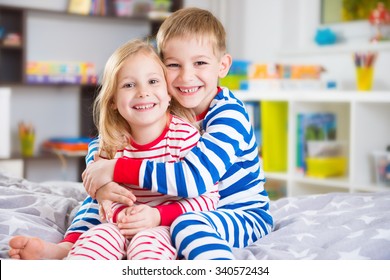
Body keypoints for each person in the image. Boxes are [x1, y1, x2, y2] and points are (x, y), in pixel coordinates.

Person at [82, 7, 273, 260]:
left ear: (223, 66)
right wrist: (101, 176)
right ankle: (69, 247)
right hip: (189, 205)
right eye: (173, 65)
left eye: (200, 63)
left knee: (185, 226)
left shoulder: (230, 115)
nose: (186, 76)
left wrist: (116, 169)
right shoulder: (167, 102)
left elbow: (194, 179)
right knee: (96, 202)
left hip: (240, 212)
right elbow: (108, 139)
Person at [8, 39, 219, 260]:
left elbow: (207, 198)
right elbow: (97, 187)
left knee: (146, 245)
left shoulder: (184, 137)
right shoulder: (110, 142)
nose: (142, 92)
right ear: (113, 101)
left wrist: (158, 215)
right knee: (98, 235)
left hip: (163, 224)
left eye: (153, 81)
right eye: (129, 85)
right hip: (117, 221)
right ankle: (67, 250)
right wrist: (118, 213)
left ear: (169, 94)